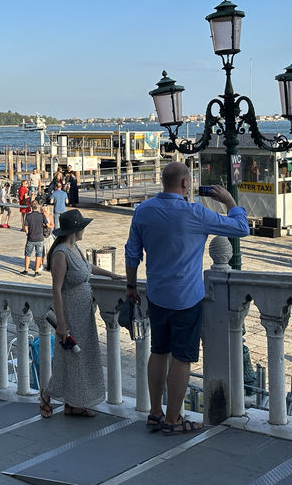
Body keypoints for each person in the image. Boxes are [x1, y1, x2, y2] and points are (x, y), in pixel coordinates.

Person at [124, 161, 249, 434]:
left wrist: (131, 286)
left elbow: (132, 253)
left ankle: (154, 413)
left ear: (162, 181)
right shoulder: (196, 213)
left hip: (156, 295)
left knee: (158, 352)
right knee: (182, 358)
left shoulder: (143, 211)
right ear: (185, 184)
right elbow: (241, 228)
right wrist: (229, 200)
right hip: (186, 299)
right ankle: (172, 420)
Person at [39, 209, 123, 418]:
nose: (84, 229)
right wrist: (61, 323)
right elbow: (56, 289)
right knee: (71, 359)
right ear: (75, 229)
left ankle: (74, 403)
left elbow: (87, 268)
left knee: (82, 359)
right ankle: (46, 395)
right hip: (71, 313)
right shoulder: (60, 253)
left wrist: (111, 274)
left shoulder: (75, 247)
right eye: (82, 226)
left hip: (84, 313)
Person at [23, 201, 48, 276]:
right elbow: (46, 224)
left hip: (31, 237)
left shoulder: (28, 216)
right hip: (40, 237)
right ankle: (36, 271)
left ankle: (26, 270)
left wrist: (27, 233)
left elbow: (25, 227)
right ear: (37, 207)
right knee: (39, 254)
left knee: (28, 254)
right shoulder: (41, 215)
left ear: (31, 206)